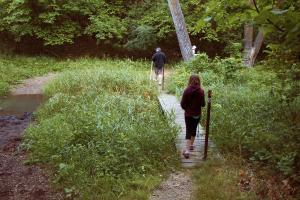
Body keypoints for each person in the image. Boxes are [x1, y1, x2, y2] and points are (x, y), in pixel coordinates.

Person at [180, 74, 205, 159]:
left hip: (188, 114)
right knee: (194, 129)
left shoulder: (187, 90)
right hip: (197, 114)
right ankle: (191, 145)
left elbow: (182, 104)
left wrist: (186, 108)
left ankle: (187, 151)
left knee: (188, 130)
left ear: (190, 80)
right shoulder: (201, 91)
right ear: (199, 81)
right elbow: (203, 104)